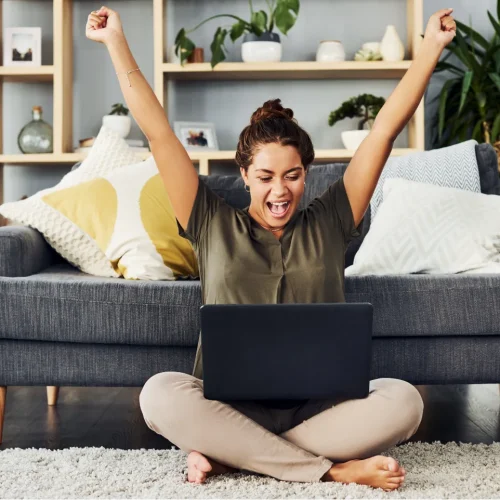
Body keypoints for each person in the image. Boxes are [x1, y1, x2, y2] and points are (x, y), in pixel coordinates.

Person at [86, 6, 456, 491]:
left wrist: (429, 47)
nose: (279, 191)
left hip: (320, 407)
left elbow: (383, 132)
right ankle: (329, 469)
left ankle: (235, 455)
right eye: (264, 177)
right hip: (229, 404)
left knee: (404, 401)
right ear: (243, 175)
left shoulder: (331, 218)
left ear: (307, 173)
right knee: (159, 395)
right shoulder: (209, 220)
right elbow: (158, 134)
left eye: (293, 175)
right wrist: (117, 43)